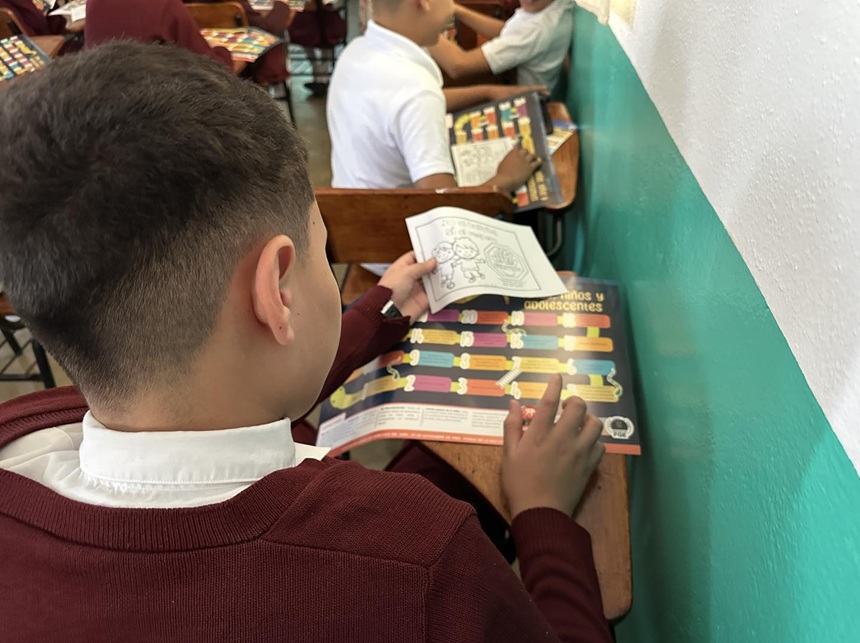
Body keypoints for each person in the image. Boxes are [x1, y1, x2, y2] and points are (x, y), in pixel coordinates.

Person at [0, 43, 611, 642]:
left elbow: (235, 375)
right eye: (324, 248)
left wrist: (382, 308)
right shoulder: (419, 557)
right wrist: (544, 514)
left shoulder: (25, 430)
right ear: (277, 289)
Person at [327, 0, 544, 191]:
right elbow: (443, 207)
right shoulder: (417, 92)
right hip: (395, 220)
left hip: (351, 211)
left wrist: (487, 92)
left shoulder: (355, 51)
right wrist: (505, 178)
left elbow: (400, 109)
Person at [429, 0, 574, 97]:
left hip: (527, 103)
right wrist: (456, 9)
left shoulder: (537, 28)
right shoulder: (552, 8)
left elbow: (458, 66)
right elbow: (508, 31)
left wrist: (423, 25)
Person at [85, 0, 233, 69]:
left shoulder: (93, 3)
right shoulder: (165, 5)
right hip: (151, 108)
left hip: (95, 104)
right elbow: (213, 69)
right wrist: (223, 52)